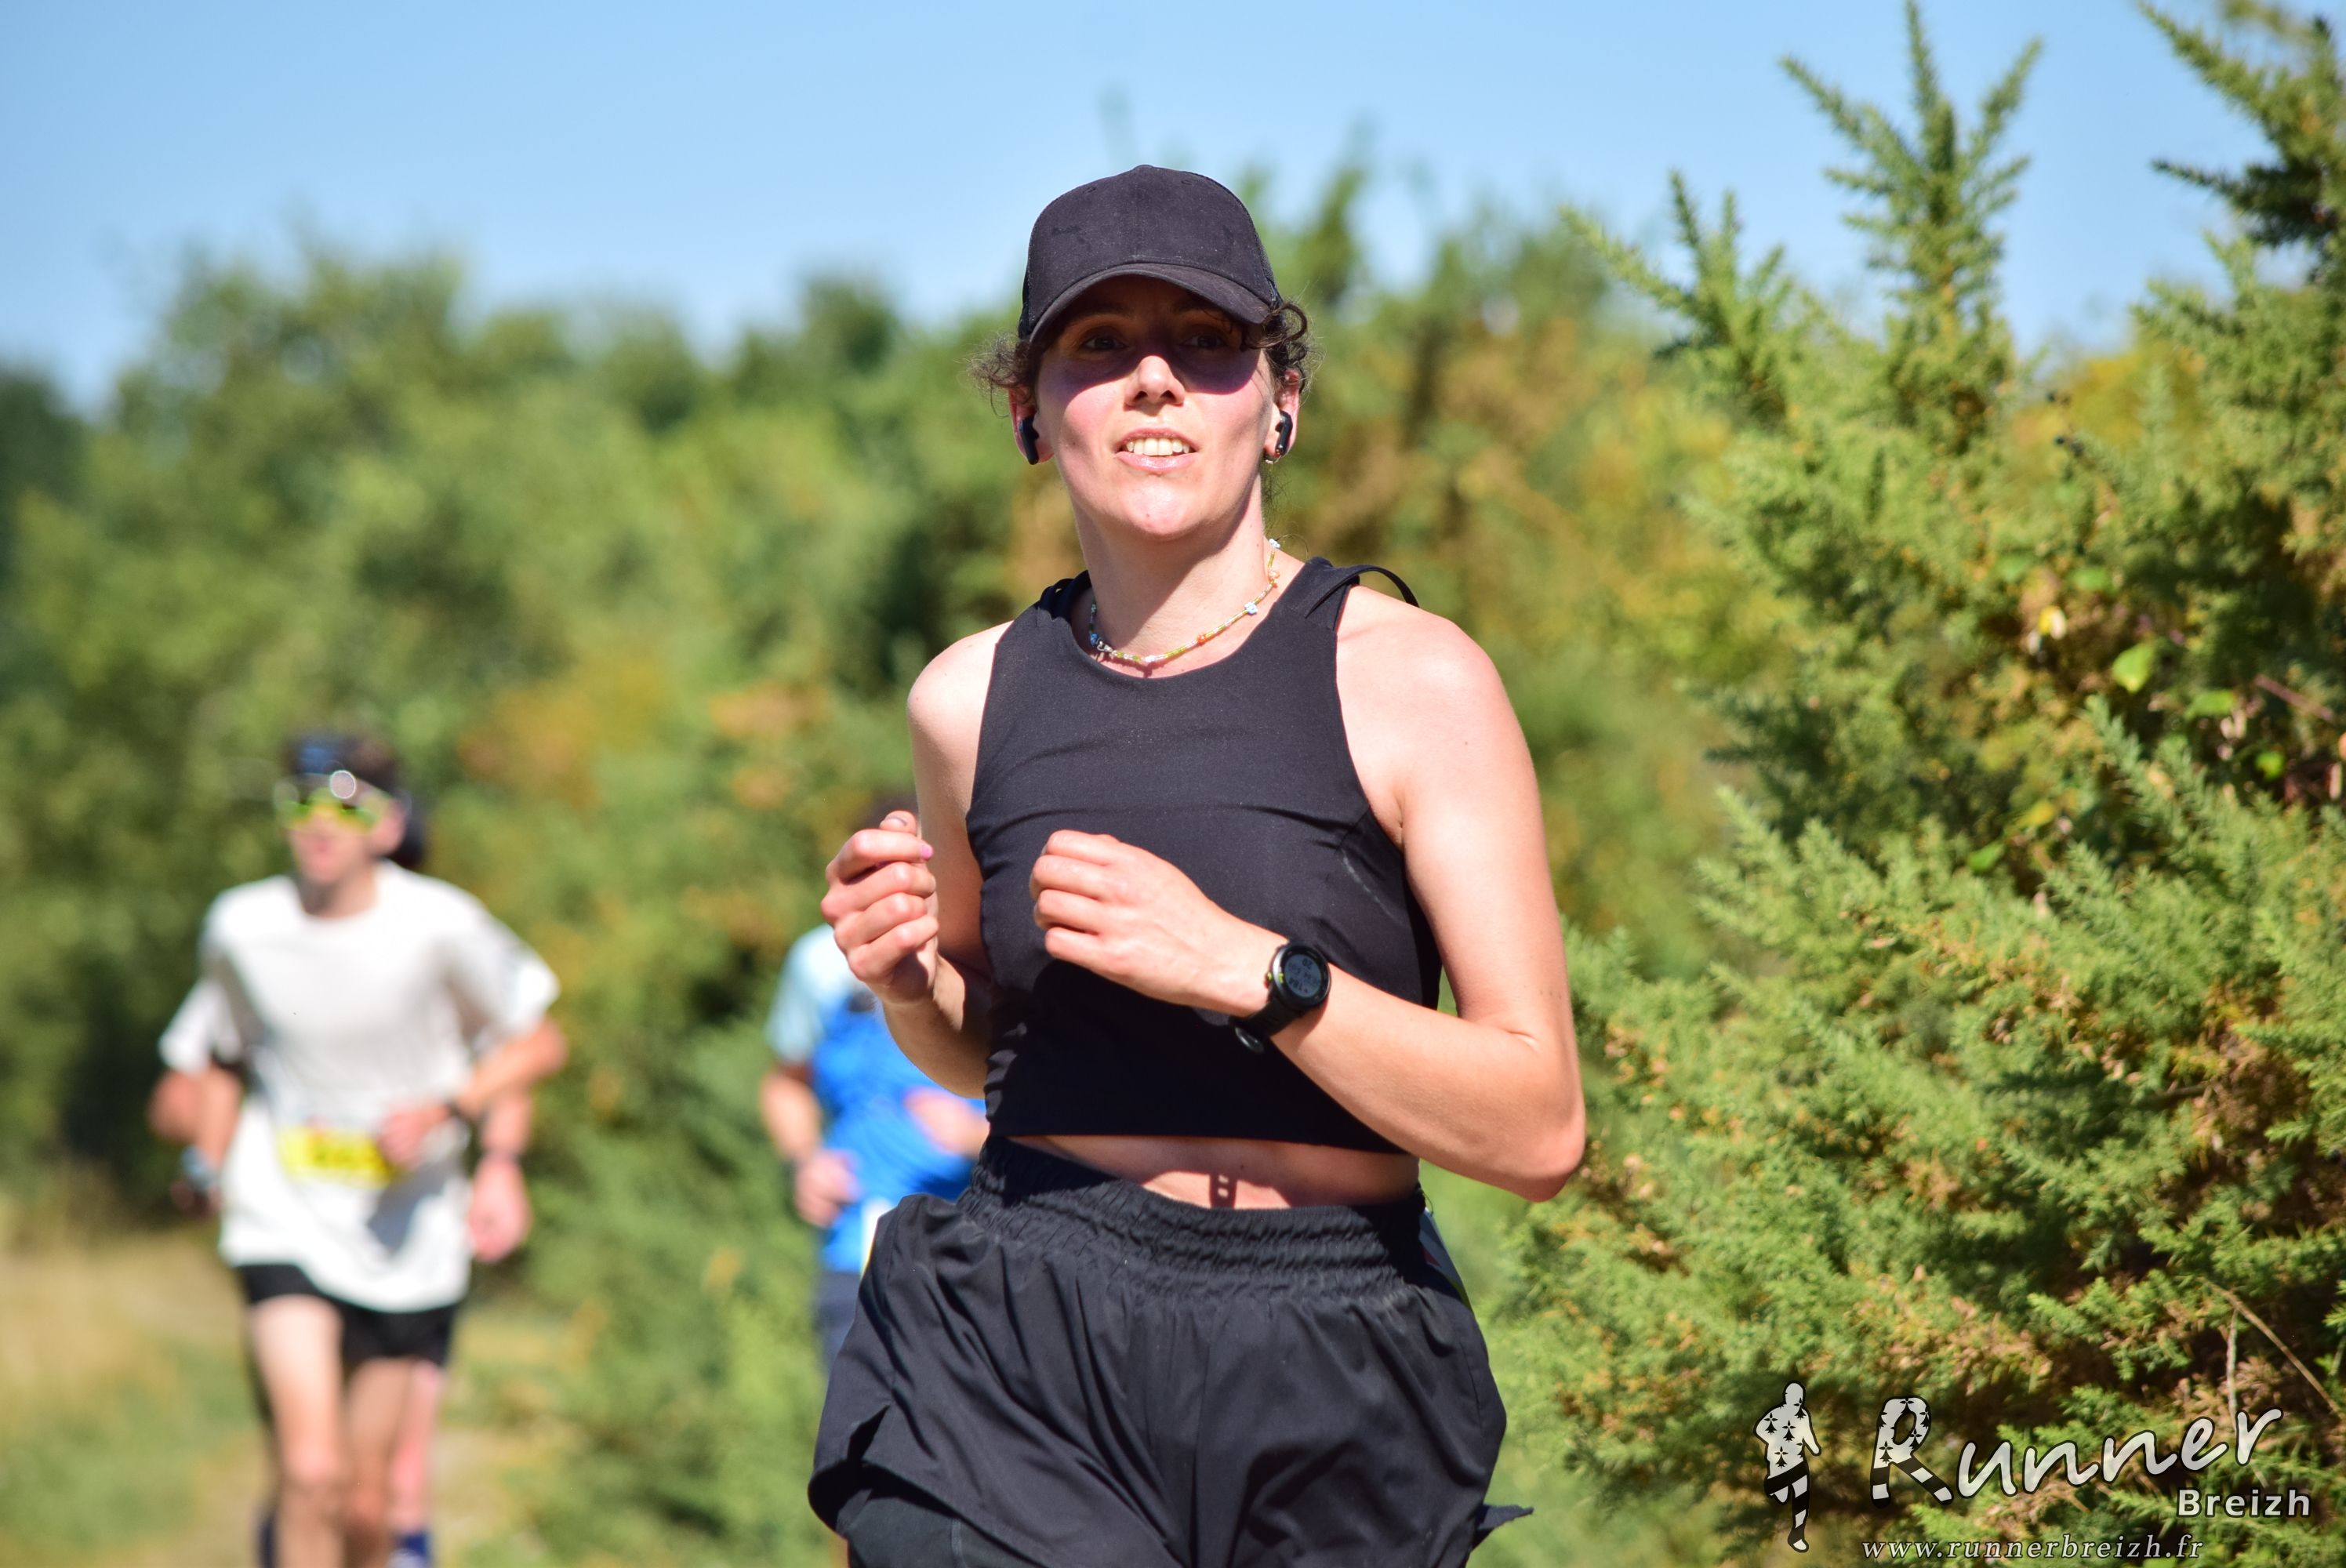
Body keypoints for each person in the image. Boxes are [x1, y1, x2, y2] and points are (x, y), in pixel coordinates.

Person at [807, 165, 1587, 1568]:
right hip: (1020, 1345)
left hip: (1334, 1361)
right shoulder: (967, 701)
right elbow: (990, 1051)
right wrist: (909, 985)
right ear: (1029, 410)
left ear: (1281, 400)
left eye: (1207, 341)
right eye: (1099, 344)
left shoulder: (1415, 681)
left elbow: (1536, 1132)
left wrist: (1252, 973)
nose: (1154, 379)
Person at [155, 731, 568, 1568]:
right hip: (281, 1215)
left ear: (388, 826)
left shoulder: (441, 923)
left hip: (404, 1231)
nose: (321, 823)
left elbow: (537, 1041)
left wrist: (456, 1116)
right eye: (302, 801)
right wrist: (205, 1160)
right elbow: (224, 1054)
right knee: (311, 1472)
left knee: (370, 1499)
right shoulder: (241, 925)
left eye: (347, 805)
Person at [761, 795, 991, 1376]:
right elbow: (786, 1083)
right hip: (860, 1243)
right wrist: (805, 1162)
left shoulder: (990, 950)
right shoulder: (818, 963)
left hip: (987, 1244)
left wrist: (979, 1138)